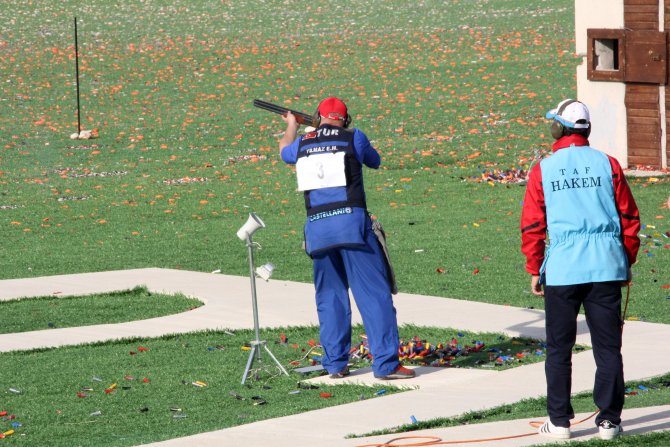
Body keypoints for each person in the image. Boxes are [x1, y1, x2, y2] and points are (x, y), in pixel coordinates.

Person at [521, 99, 640, 441]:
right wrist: (624, 260)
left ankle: (559, 422)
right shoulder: (608, 164)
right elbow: (630, 219)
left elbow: (532, 226)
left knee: (559, 348)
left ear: (559, 128)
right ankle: (608, 421)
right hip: (606, 269)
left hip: (561, 271)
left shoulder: (544, 168)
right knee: (608, 349)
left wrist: (534, 267)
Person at [279, 97, 414, 380]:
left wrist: (292, 126)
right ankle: (387, 365)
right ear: (346, 119)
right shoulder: (354, 136)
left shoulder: (303, 143)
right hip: (353, 227)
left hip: (317, 230)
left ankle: (336, 364)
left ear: (318, 117)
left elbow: (284, 152)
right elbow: (374, 161)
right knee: (374, 296)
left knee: (330, 298)